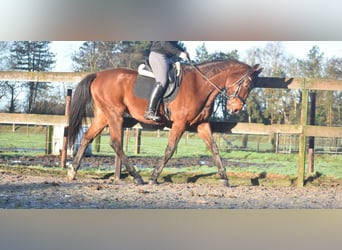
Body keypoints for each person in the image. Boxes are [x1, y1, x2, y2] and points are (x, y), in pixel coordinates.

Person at [144, 41, 190, 121]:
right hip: (158, 55)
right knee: (162, 81)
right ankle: (150, 111)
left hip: (168, 58)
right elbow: (164, 43)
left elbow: (173, 44)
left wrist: (183, 51)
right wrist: (179, 53)